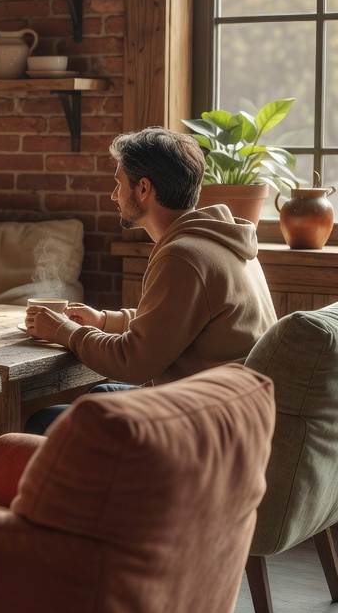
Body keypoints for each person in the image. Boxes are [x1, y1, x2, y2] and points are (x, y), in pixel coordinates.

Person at [23, 126, 277, 432]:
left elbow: (132, 363)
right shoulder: (221, 242)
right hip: (232, 410)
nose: (113, 195)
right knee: (99, 397)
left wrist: (65, 331)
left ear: (143, 189)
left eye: (119, 184)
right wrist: (105, 321)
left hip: (205, 424)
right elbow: (172, 323)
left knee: (45, 423)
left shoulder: (184, 256)